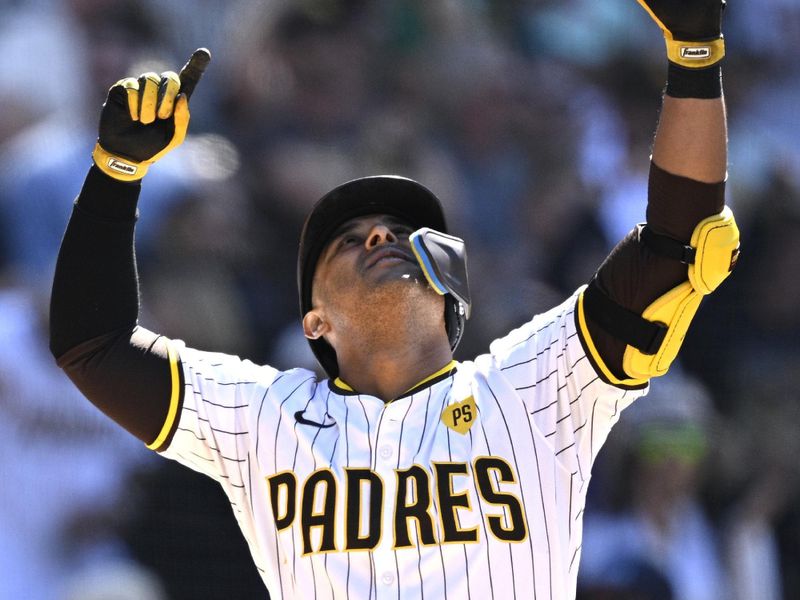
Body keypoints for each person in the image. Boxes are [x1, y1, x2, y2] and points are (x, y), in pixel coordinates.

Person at [49, 1, 739, 598]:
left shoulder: (534, 386)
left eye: (407, 234)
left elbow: (680, 244)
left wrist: (695, 58)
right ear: (313, 318)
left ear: (454, 296)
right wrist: (115, 175)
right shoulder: (266, 418)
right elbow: (93, 345)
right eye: (347, 240)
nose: (380, 233)